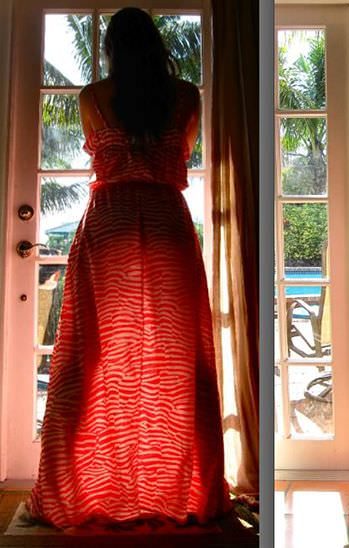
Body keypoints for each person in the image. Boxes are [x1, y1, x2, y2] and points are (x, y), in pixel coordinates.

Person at [25, 7, 232, 528]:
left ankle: (74, 487)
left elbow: (101, 155)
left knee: (90, 358)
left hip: (111, 222)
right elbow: (183, 152)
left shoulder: (92, 97)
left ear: (111, 49)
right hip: (165, 222)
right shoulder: (185, 96)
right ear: (157, 46)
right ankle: (185, 487)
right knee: (178, 360)